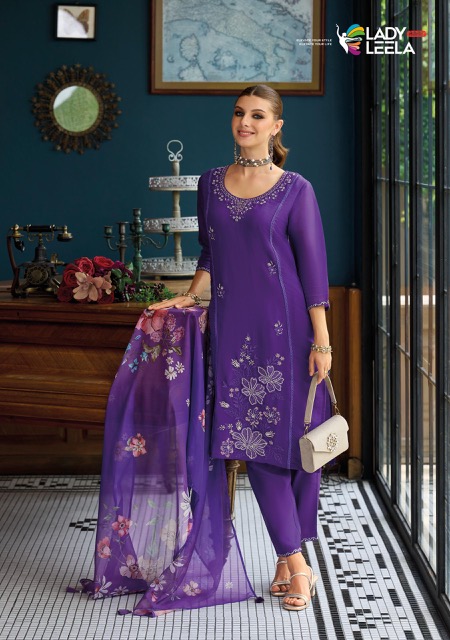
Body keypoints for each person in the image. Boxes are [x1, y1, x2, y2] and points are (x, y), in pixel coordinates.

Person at [147, 84, 332, 613]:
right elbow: (210, 251)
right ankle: (298, 564)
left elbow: (313, 270)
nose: (245, 122)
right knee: (254, 448)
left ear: (276, 126)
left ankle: (287, 559)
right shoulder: (209, 183)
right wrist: (189, 295)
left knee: (297, 450)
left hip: (288, 332)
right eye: (238, 113)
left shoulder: (296, 189)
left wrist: (323, 341)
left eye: (257, 115)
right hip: (232, 334)